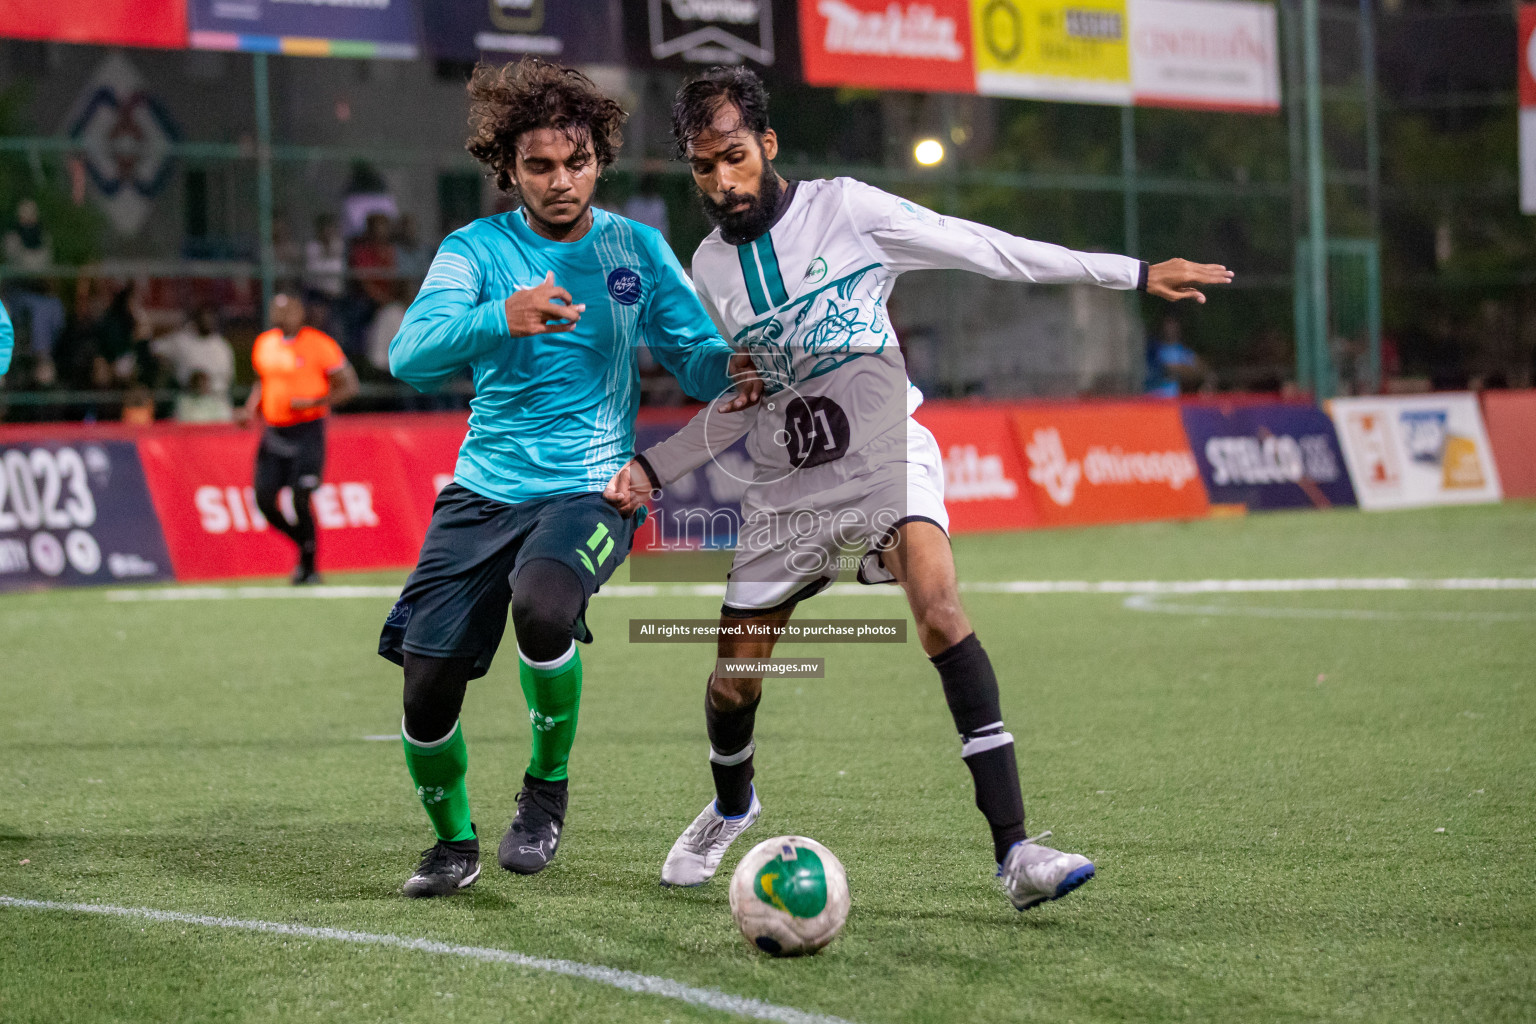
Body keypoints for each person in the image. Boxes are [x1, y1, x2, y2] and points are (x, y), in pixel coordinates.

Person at [603, 67, 1232, 910]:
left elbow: (985, 247)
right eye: (704, 167)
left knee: (939, 609)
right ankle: (731, 804)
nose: (723, 181)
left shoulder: (849, 211)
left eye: (736, 157)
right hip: (789, 487)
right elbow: (751, 393)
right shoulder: (709, 266)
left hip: (888, 452)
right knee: (733, 682)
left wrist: (1132, 270)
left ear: (769, 145)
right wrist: (659, 464)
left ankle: (1016, 855)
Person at [377, 57, 760, 899]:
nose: (560, 181)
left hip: (593, 487)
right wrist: (498, 317)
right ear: (507, 167)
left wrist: (728, 362)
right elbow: (406, 356)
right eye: (540, 165)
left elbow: (691, 357)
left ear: (600, 160)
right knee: (426, 688)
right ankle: (453, 843)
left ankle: (545, 791)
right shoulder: (476, 251)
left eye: (576, 162)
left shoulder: (635, 248)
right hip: (482, 493)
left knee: (544, 607)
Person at [240, 291, 360, 584]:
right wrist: (249, 409)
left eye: (288, 310)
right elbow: (263, 382)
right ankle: (304, 546)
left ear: (299, 313)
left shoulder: (320, 344)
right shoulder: (264, 344)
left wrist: (316, 402)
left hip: (307, 431)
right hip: (275, 432)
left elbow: (350, 386)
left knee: (300, 498)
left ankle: (309, 566)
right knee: (264, 499)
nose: (282, 316)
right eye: (276, 310)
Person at [152, 306, 236, 422]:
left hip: (217, 403)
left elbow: (229, 378)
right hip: (189, 402)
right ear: (195, 320)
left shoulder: (222, 347)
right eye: (203, 318)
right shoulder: (182, 340)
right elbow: (154, 348)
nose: (207, 322)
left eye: (210, 319)